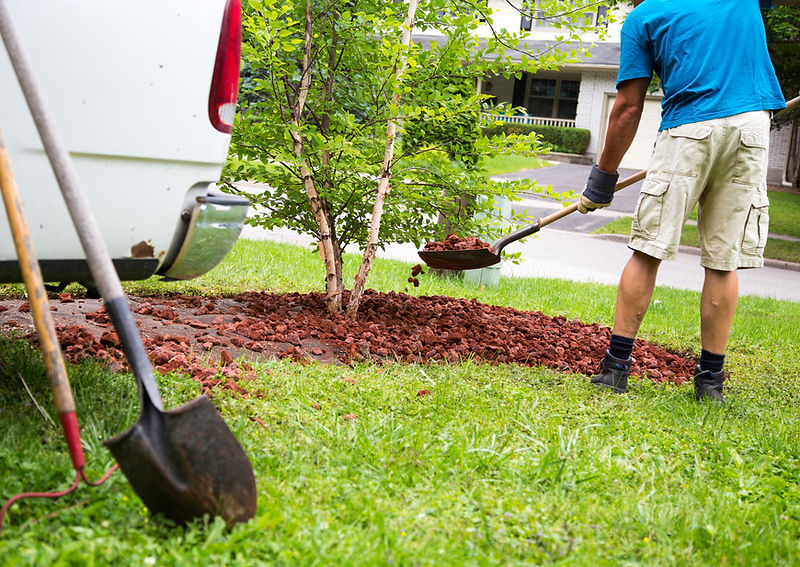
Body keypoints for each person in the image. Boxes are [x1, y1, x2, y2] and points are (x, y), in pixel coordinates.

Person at [578, 0, 786, 402]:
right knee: (723, 260)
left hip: (688, 129)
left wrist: (602, 178)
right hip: (752, 128)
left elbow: (628, 106)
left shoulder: (643, 16)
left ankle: (615, 370)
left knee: (647, 249)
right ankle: (710, 382)